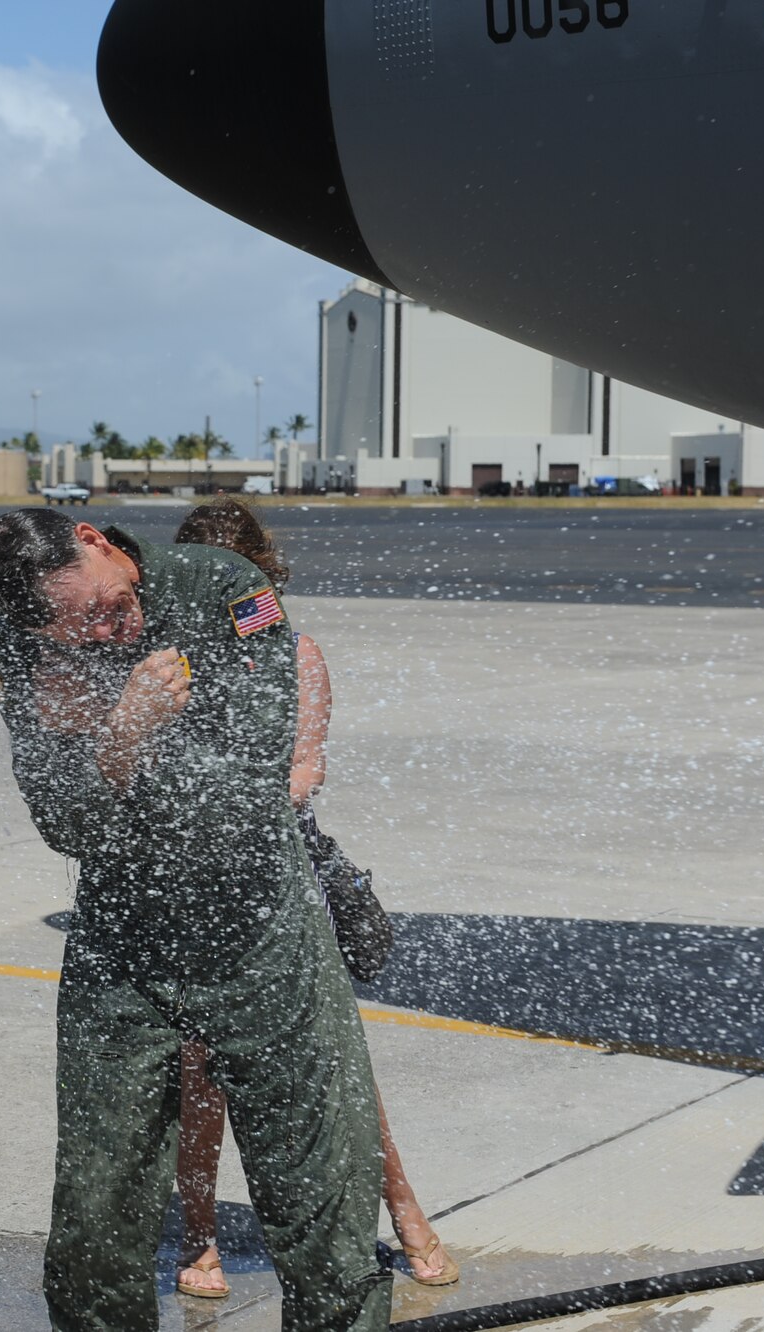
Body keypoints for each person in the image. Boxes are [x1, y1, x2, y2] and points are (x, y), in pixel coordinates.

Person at [0, 508, 392, 1332]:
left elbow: (249, 779)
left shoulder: (224, 588)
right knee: (98, 1199)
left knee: (320, 1193)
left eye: (94, 608)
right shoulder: (23, 645)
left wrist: (105, 748)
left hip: (259, 929)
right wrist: (124, 731)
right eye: (73, 631)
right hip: (124, 938)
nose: (94, 635)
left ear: (93, 539)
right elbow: (67, 827)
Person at [166, 499, 458, 1297]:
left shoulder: (293, 652)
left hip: (280, 876)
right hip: (193, 885)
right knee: (201, 1071)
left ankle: (404, 1210)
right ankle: (198, 1238)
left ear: (263, 579)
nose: (226, 607)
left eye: (241, 588)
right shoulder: (163, 661)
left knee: (334, 1059)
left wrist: (234, 807)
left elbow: (306, 769)